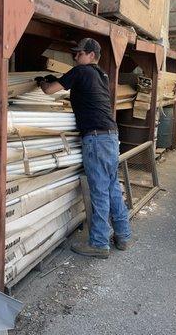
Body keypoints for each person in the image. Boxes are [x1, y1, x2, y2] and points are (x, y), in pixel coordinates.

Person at [37, 38, 132, 259]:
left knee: (99, 191)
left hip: (96, 139)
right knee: (112, 188)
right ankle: (123, 235)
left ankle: (99, 244)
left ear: (90, 55)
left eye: (78, 54)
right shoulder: (102, 75)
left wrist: (42, 81)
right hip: (111, 136)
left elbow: (50, 90)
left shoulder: (81, 71)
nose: (75, 58)